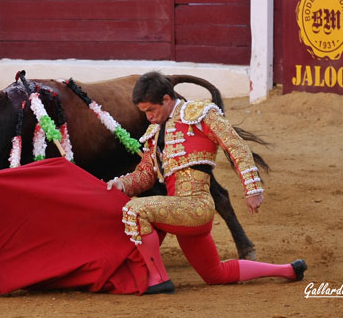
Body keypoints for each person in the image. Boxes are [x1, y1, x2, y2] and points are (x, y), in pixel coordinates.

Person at [107, 72, 307, 294]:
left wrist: (253, 189)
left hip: (196, 207)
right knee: (216, 274)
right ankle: (287, 270)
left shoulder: (200, 115)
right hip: (180, 213)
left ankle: (159, 278)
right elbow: (145, 174)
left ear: (166, 99)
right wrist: (122, 184)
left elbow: (235, 145)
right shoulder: (154, 133)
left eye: (151, 110)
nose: (148, 118)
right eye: (144, 112)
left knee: (134, 210)